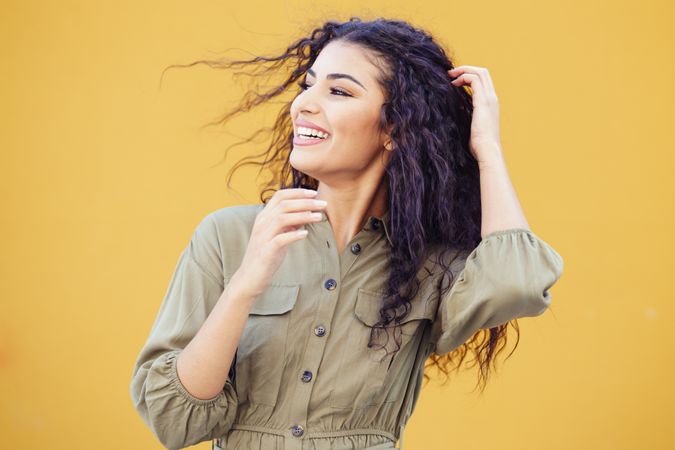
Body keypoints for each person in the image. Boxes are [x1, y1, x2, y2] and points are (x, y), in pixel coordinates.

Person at [130, 17, 564, 450]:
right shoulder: (229, 236)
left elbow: (517, 283)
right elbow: (174, 421)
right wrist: (244, 286)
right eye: (308, 85)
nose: (303, 105)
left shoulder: (430, 265)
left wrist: (487, 149)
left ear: (395, 127)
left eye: (338, 91)